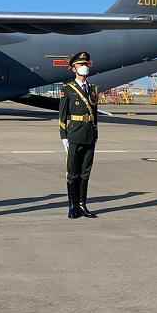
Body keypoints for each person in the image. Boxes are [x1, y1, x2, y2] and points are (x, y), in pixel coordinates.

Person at [58, 52, 99, 219]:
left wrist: (95, 132)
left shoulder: (93, 89)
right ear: (73, 68)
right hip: (74, 134)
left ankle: (83, 205)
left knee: (85, 172)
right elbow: (62, 115)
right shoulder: (67, 89)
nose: (84, 67)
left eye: (86, 64)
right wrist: (63, 136)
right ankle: (72, 206)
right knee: (73, 172)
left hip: (90, 134)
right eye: (81, 65)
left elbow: (94, 113)